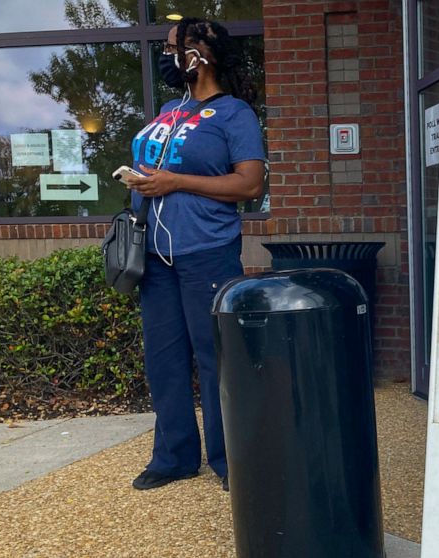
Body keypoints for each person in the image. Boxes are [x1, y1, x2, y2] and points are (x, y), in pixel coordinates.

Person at [124, 17, 265, 492]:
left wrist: (177, 181)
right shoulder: (168, 109)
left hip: (206, 252)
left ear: (200, 54)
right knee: (162, 360)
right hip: (156, 255)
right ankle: (174, 457)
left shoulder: (234, 114)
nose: (165, 56)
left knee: (215, 358)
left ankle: (232, 461)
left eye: (171, 48)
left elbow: (250, 183)